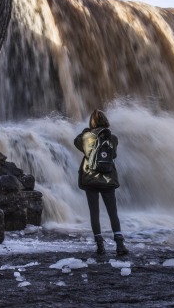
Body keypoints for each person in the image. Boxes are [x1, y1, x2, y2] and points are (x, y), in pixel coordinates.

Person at [74, 109, 129, 256]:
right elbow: (114, 155)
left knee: (94, 212)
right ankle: (120, 244)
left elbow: (77, 144)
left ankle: (100, 245)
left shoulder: (86, 137)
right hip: (108, 178)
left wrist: (85, 132)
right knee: (113, 212)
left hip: (90, 178)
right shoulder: (112, 137)